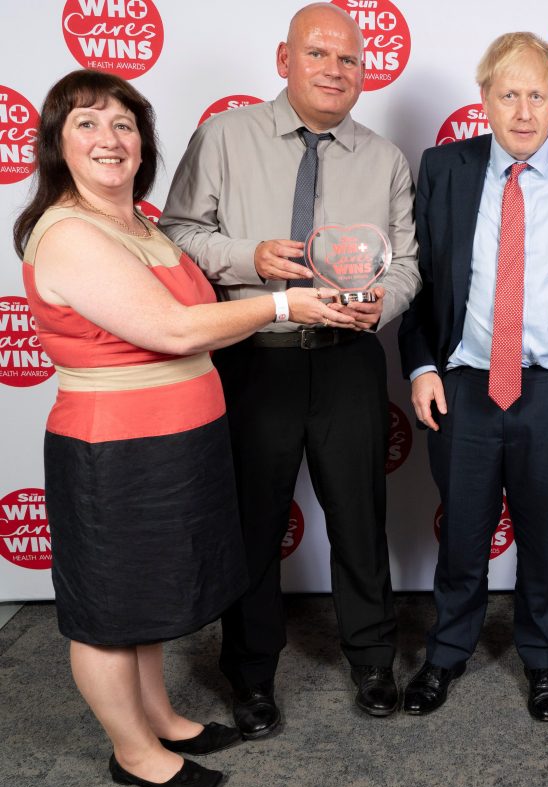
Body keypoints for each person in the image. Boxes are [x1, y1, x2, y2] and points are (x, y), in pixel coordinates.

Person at [14, 70, 331, 787]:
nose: (109, 138)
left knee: (148, 592)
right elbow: (173, 327)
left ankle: (157, 712)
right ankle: (131, 750)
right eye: (87, 123)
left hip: (179, 438)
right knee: (106, 609)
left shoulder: (142, 223)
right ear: (57, 144)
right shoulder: (66, 231)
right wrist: (284, 303)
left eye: (123, 124)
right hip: (112, 448)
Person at [160, 3, 420, 735]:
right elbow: (178, 231)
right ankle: (249, 676)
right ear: (284, 60)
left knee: (361, 520)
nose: (335, 70)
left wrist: (381, 308)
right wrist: (249, 259)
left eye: (349, 60)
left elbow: (407, 263)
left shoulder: (385, 157)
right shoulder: (224, 137)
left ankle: (372, 660)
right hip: (254, 356)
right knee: (252, 523)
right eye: (319, 55)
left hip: (348, 361)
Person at [398, 31, 548, 721]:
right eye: (508, 94)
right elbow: (419, 280)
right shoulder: (444, 168)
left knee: (542, 534)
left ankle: (541, 657)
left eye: (536, 93)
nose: (523, 110)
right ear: (485, 99)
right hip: (464, 386)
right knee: (462, 532)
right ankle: (446, 652)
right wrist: (420, 363)